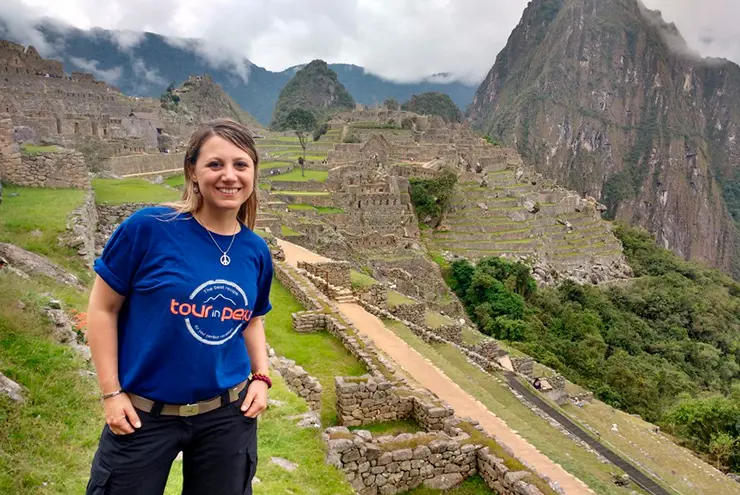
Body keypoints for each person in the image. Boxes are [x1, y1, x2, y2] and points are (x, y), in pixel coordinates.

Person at [85, 118, 273, 495]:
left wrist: (262, 377)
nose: (229, 176)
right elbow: (103, 309)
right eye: (215, 164)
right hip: (142, 414)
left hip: (227, 414)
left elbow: (250, 319)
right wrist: (111, 392)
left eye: (241, 164)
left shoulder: (256, 251)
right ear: (192, 170)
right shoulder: (150, 228)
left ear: (253, 173)